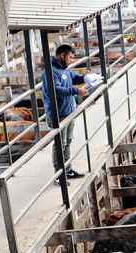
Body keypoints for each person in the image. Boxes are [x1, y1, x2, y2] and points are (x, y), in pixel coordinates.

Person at [42, 44, 88, 184]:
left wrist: (86, 78)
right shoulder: (50, 71)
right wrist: (75, 91)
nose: (72, 60)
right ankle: (59, 175)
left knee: (67, 142)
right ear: (62, 55)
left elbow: (73, 77)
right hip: (58, 115)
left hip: (68, 112)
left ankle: (67, 170)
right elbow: (55, 89)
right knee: (59, 145)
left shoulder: (64, 69)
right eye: (70, 57)